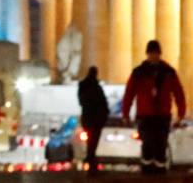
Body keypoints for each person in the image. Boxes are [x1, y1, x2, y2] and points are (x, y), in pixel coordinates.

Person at [122, 40, 187, 175]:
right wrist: (125, 113)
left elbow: (178, 93)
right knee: (148, 144)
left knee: (161, 145)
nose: (153, 56)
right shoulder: (138, 73)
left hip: (162, 115)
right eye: (151, 53)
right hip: (145, 115)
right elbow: (129, 94)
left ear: (159, 54)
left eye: (155, 53)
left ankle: (159, 170)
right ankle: (147, 170)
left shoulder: (169, 72)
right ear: (148, 54)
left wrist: (181, 113)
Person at [77, 66, 109, 172]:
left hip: (88, 118)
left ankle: (90, 158)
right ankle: (91, 159)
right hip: (96, 119)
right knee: (93, 141)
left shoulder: (83, 86)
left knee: (91, 141)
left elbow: (82, 102)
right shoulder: (97, 87)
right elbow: (103, 104)